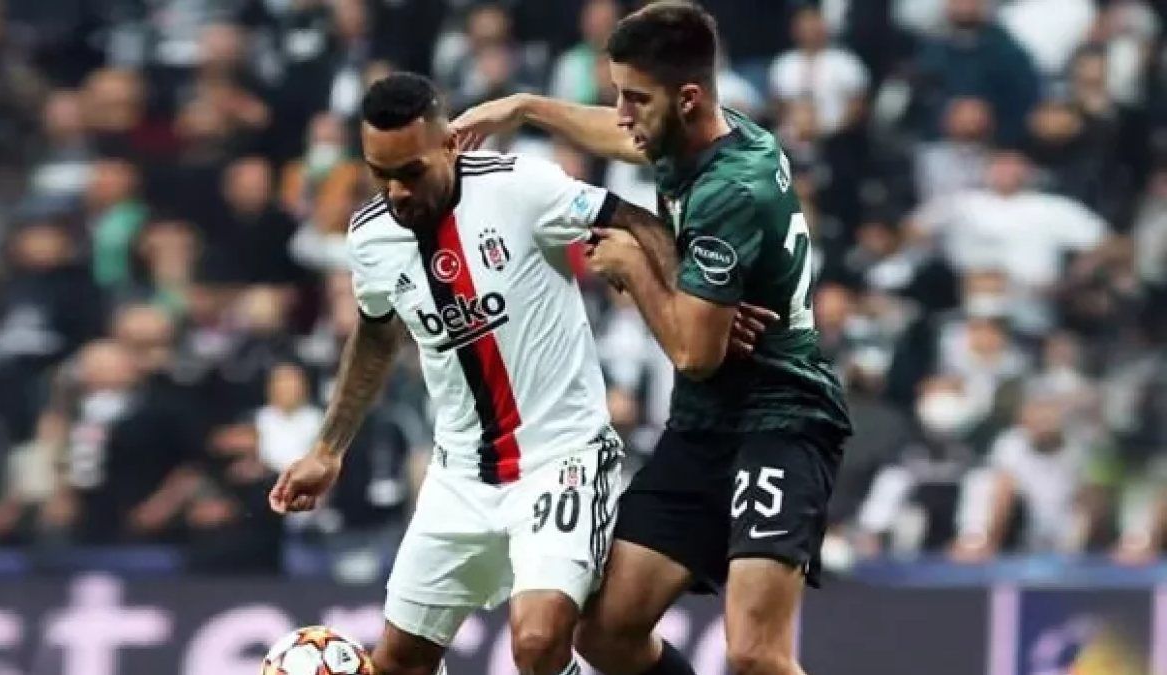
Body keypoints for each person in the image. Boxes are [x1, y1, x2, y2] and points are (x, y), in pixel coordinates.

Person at [267, 73, 761, 675]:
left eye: (411, 172)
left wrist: (698, 302)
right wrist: (328, 449)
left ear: (450, 144)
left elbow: (634, 218)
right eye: (381, 174)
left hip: (562, 458)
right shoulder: (371, 236)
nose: (396, 192)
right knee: (399, 662)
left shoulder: (519, 186)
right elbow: (375, 334)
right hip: (459, 475)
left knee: (538, 640)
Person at [452, 3, 853, 675]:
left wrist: (637, 266)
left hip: (779, 420)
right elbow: (620, 136)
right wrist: (523, 107)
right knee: (605, 632)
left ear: (687, 97)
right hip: (703, 428)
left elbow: (696, 354)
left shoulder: (729, 190)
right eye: (618, 93)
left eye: (634, 98)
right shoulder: (707, 134)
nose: (622, 113)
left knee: (755, 653)